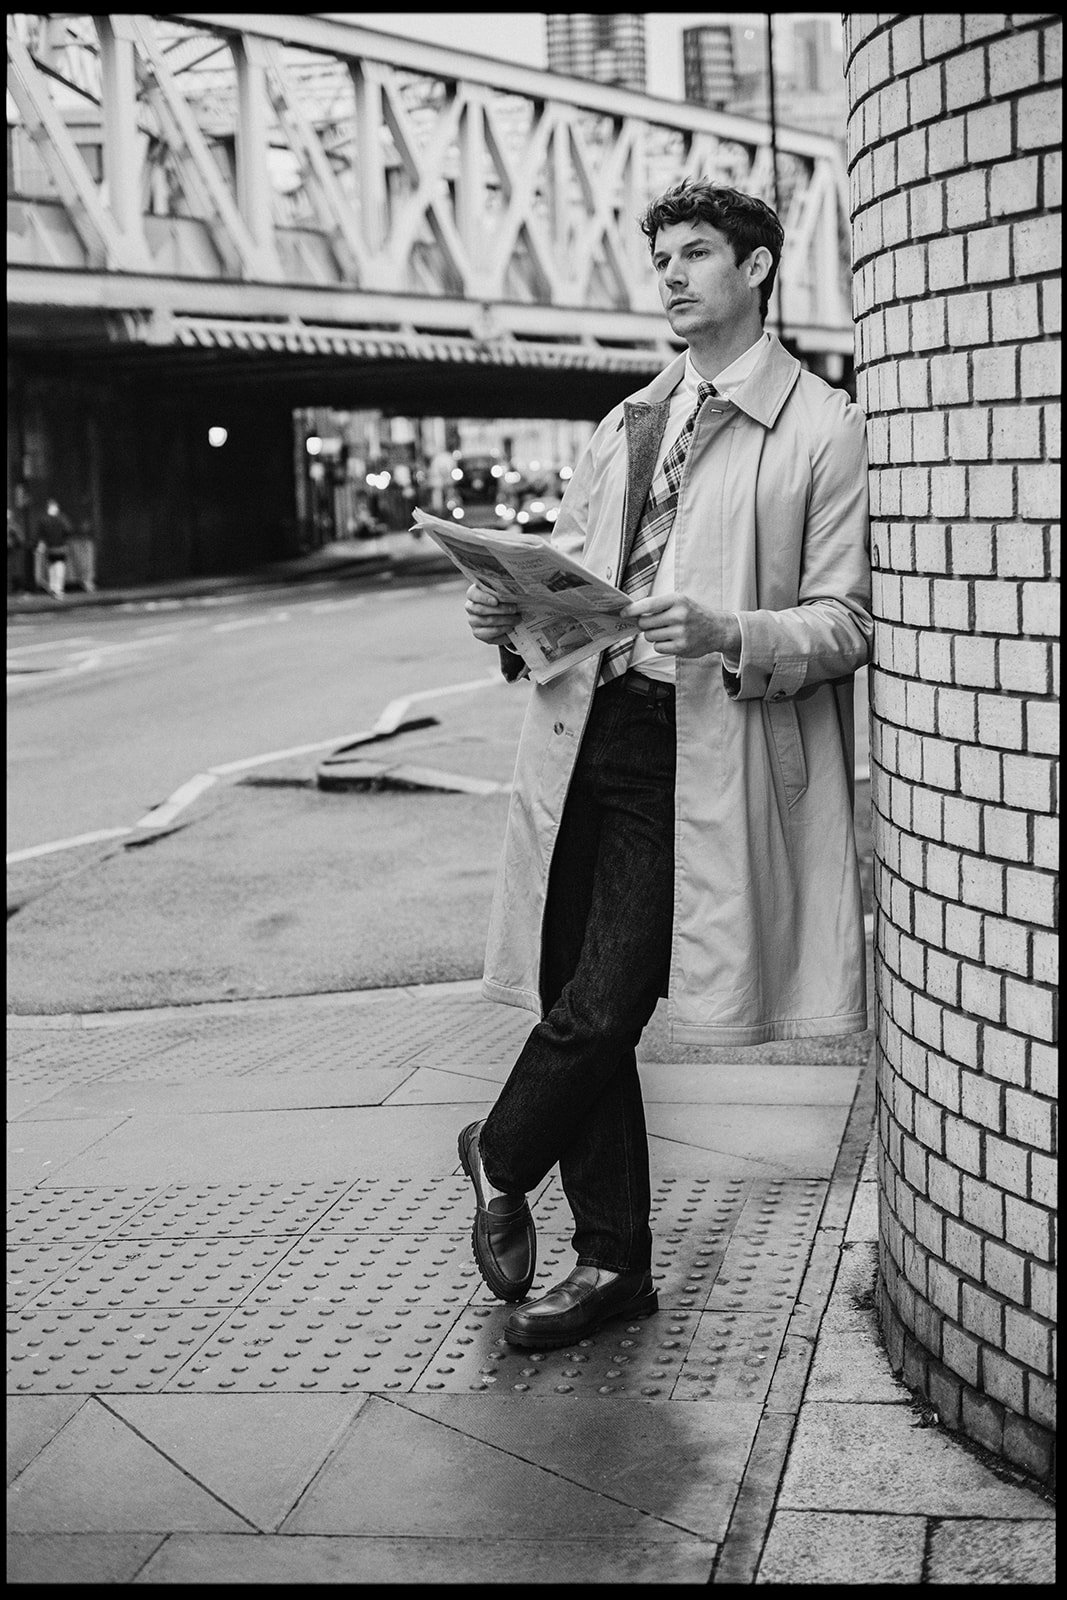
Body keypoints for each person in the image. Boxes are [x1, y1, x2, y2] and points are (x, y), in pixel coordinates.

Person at [457, 179, 872, 1350]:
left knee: (608, 996)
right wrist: (513, 621)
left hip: (697, 746)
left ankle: (500, 1149)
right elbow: (579, 590)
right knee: (570, 995)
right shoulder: (627, 422)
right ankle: (610, 1265)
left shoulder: (820, 430)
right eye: (662, 260)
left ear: (757, 270)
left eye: (697, 254)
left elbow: (847, 622)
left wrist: (735, 630)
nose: (674, 277)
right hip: (583, 729)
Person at [36, 498, 72, 599]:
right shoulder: (62, 518)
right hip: (60, 547)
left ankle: (53, 587)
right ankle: (58, 588)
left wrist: (41, 545)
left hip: (50, 548)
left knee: (51, 567)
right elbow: (68, 530)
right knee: (59, 567)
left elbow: (40, 534)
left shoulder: (43, 519)